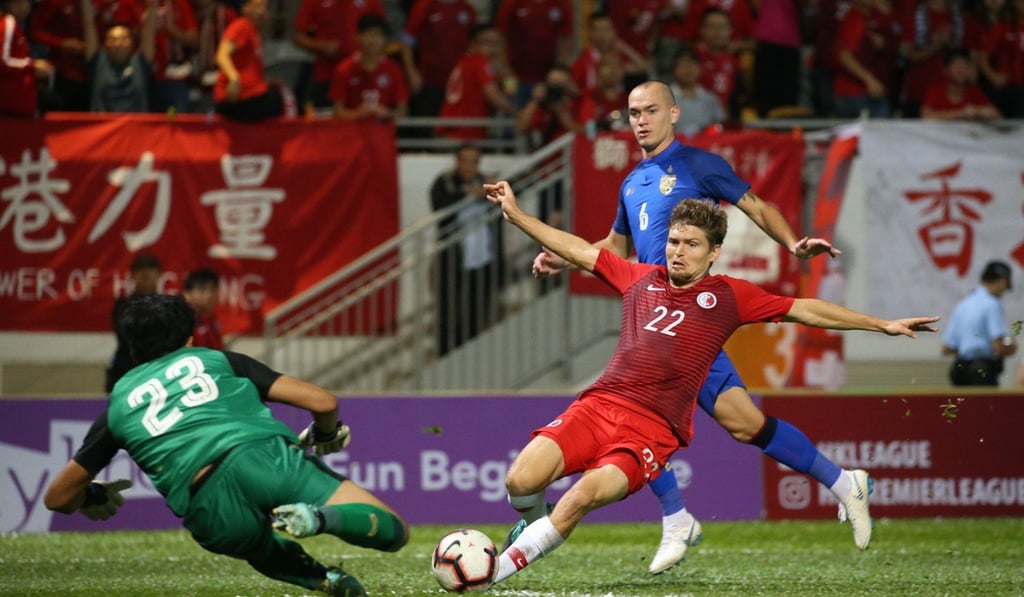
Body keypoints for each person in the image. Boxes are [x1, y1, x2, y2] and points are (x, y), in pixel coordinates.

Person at [485, 180, 939, 588]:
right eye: (674, 241)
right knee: (520, 480)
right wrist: (518, 215)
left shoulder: (729, 296)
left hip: (650, 431)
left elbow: (806, 309)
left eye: (691, 245)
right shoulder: (639, 277)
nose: (678, 251)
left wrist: (881, 324)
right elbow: (578, 250)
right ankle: (536, 522)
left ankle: (492, 575)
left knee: (582, 495)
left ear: (714, 252)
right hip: (599, 406)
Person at [532, 81, 873, 574]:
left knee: (651, 410)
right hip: (656, 315)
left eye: (650, 110)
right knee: (741, 423)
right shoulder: (632, 182)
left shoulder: (699, 165)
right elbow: (614, 246)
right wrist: (565, 259)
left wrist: (792, 242)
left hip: (693, 316)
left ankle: (679, 517)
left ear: (673, 113)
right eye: (632, 113)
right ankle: (842, 482)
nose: (641, 120)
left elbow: (755, 205)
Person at [44, 294, 409, 597]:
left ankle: (327, 581)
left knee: (258, 547)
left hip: (207, 509)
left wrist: (92, 495)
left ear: (132, 351)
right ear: (190, 338)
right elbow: (323, 402)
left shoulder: (118, 406)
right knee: (394, 532)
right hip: (261, 459)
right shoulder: (215, 359)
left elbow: (57, 498)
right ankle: (318, 518)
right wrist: (326, 434)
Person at [430, 144, 500, 356]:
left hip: (483, 257)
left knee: (477, 309)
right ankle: (446, 356)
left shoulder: (486, 182)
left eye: (474, 161)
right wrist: (469, 194)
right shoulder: (446, 182)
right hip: (453, 258)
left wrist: (491, 189)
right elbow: (440, 204)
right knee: (449, 310)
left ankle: (471, 354)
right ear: (457, 161)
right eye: (465, 161)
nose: (470, 166)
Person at [292, 0, 384, 110]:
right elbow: (298, 37)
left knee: (365, 119)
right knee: (329, 123)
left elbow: (381, 31)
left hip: (365, 78)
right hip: (326, 76)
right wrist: (320, 46)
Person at [942, 260, 1017, 386]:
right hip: (982, 372)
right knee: (986, 406)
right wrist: (1012, 347)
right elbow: (998, 347)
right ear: (1003, 281)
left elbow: (947, 348)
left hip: (959, 370)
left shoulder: (963, 305)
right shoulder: (992, 304)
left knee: (962, 406)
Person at [436, 23, 516, 140]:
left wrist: (505, 68)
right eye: (488, 43)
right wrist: (517, 113)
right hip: (461, 132)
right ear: (473, 44)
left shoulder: (473, 62)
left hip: (459, 129)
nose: (494, 48)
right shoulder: (479, 62)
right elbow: (493, 96)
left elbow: (511, 91)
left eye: (497, 43)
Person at [81, 0, 157, 113]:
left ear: (132, 44)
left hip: (136, 128)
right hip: (103, 128)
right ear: (105, 44)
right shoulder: (97, 62)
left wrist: (153, 6)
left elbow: (150, 29)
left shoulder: (141, 62)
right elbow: (88, 25)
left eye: (123, 39)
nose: (118, 44)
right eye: (112, 39)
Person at [329, 14, 408, 121]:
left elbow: (402, 112)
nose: (372, 40)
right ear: (357, 37)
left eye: (377, 35)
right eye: (368, 34)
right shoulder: (344, 69)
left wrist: (386, 113)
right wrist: (357, 114)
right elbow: (337, 112)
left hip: (382, 133)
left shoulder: (393, 69)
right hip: (352, 134)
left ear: (385, 39)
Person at [214, 0, 282, 121]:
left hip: (252, 94)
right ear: (245, 8)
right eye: (257, 7)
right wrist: (234, 78)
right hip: (241, 98)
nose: (261, 12)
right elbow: (221, 55)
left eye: (265, 9)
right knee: (281, 99)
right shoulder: (241, 26)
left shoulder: (253, 31)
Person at [106, 252, 162, 392]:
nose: (145, 276)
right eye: (140, 271)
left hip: (158, 373)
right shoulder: (123, 306)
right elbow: (128, 337)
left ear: (158, 275)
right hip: (127, 372)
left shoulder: (167, 307)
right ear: (132, 275)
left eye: (150, 271)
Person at [0, 0, 54, 117]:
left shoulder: (15, 25)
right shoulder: (8, 23)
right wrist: (33, 65)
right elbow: (3, 60)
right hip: (10, 106)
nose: (28, 7)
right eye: (26, 2)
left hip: (18, 105)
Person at [921, 48, 1002, 120]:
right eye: (956, 65)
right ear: (946, 70)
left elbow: (997, 116)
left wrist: (978, 111)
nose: (961, 70)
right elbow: (926, 116)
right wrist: (961, 113)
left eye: (965, 65)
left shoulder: (973, 91)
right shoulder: (936, 91)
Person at [668, 48, 726, 135]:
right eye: (682, 66)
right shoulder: (665, 97)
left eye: (691, 66)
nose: (687, 71)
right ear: (674, 70)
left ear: (699, 69)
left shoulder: (710, 98)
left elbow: (721, 125)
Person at [183, 267, 224, 350]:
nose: (209, 295)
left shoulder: (213, 319)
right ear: (187, 293)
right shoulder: (185, 322)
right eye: (202, 290)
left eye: (213, 289)